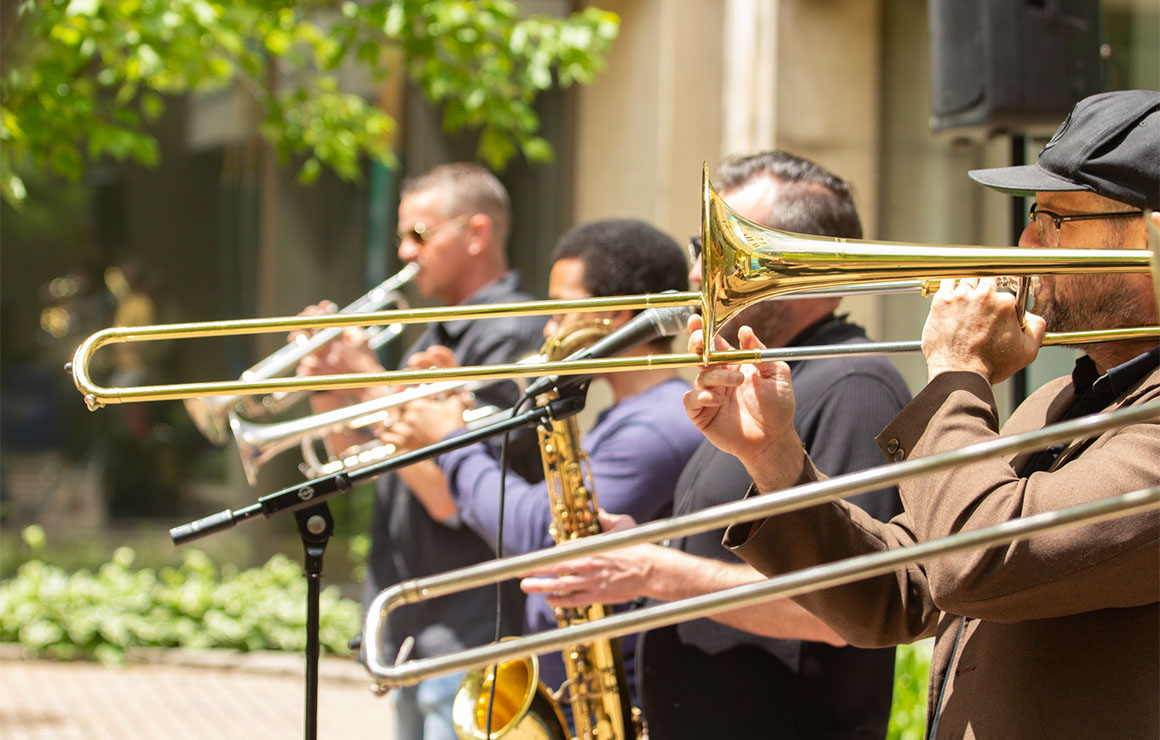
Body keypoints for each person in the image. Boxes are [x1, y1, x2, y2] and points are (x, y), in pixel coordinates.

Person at [686, 90, 1160, 739]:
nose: (1022, 245)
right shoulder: (1062, 400)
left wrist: (957, 369)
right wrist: (774, 455)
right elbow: (901, 591)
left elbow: (977, 561)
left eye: (1053, 220)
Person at [520, 152, 912, 739]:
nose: (698, 273)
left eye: (720, 251)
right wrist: (640, 547)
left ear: (805, 267)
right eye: (700, 248)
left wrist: (654, 571)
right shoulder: (759, 379)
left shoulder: (858, 383)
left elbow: (846, 611)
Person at [382, 219, 705, 707]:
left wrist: (451, 436)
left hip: (609, 696)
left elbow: (543, 535)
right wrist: (459, 405)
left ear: (613, 314)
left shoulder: (656, 426)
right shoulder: (627, 413)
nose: (548, 331)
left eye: (558, 311)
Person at [297, 162, 547, 740]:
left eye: (421, 235)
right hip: (413, 626)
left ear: (477, 233)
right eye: (401, 238)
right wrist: (330, 390)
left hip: (470, 635)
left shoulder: (513, 336)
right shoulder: (433, 335)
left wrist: (367, 379)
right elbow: (361, 460)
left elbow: (447, 495)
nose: (406, 253)